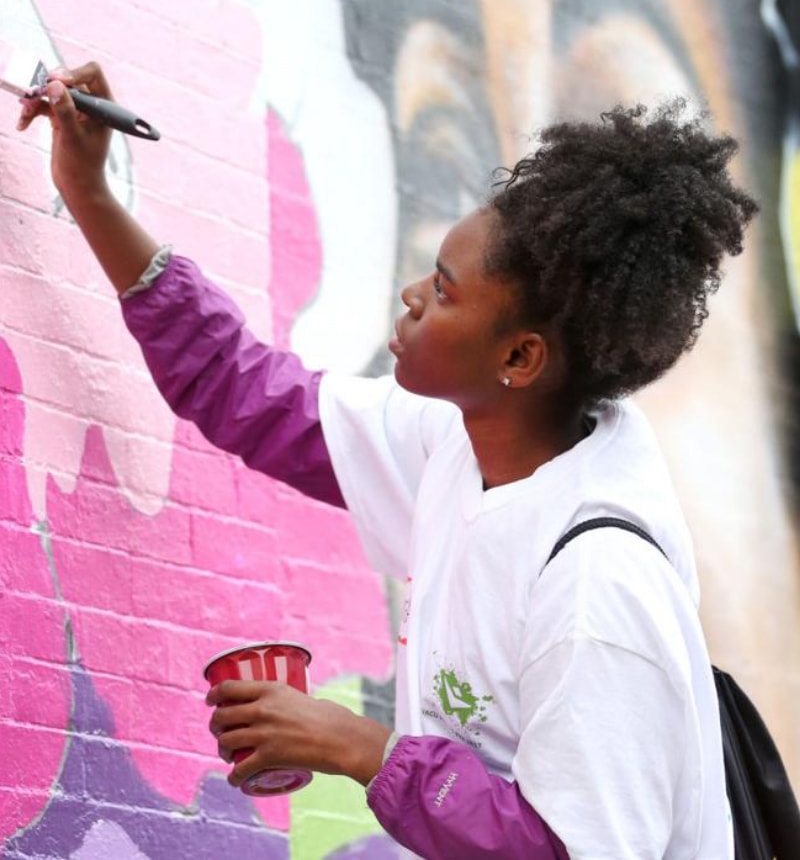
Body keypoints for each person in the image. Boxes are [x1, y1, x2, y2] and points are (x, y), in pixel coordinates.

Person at [18, 63, 758, 859]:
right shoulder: (454, 440)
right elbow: (241, 390)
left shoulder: (598, 589)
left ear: (520, 355)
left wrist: (361, 748)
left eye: (443, 291)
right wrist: (90, 192)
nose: (411, 296)